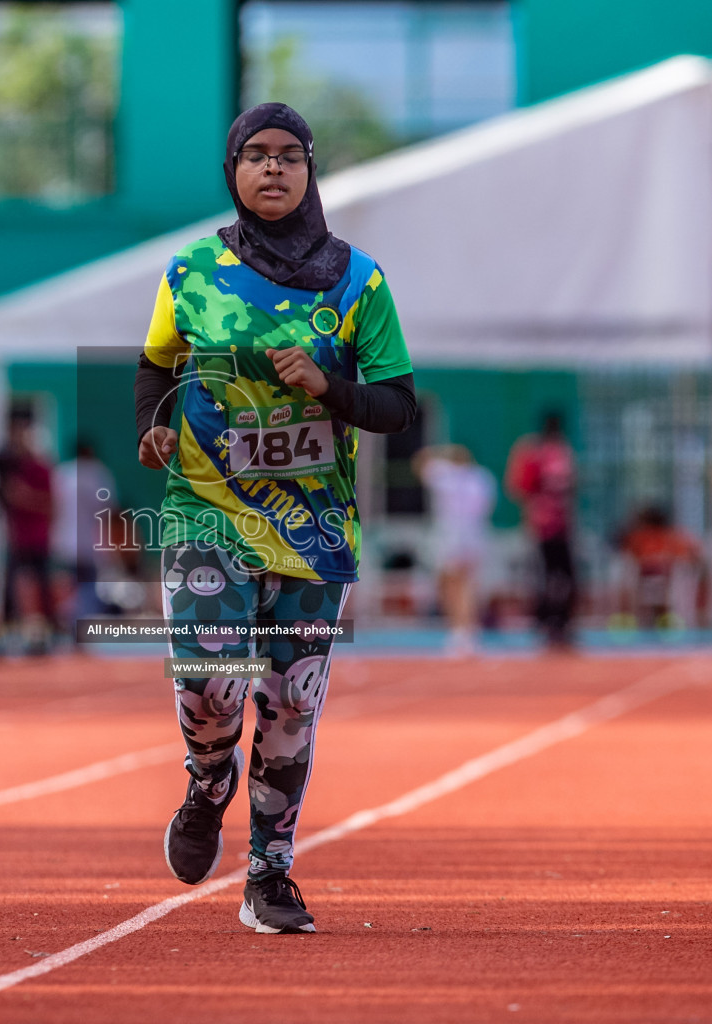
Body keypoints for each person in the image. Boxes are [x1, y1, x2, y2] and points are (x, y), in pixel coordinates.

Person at [136, 103, 416, 934]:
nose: (272, 169)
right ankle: (207, 780)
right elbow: (157, 365)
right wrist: (153, 426)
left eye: (289, 156)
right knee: (213, 685)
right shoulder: (188, 271)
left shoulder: (358, 282)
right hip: (206, 512)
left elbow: (398, 405)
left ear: (310, 170)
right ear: (232, 170)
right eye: (255, 156)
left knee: (290, 704)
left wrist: (328, 387)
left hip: (314, 527)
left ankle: (270, 872)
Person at [413, 444, 497, 655]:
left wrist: (438, 452)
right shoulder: (482, 478)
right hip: (474, 532)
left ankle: (459, 630)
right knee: (467, 584)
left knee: (451, 585)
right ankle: (469, 631)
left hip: (451, 533)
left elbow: (419, 461)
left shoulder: (445, 475)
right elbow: (488, 505)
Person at [0, 404, 57, 655]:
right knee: (10, 585)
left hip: (37, 536)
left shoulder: (40, 469)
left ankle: (46, 633)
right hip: (14, 536)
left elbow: (52, 505)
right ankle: (5, 633)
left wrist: (23, 497)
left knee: (40, 586)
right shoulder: (9, 468)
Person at [506, 411, 578, 649]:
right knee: (548, 575)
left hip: (559, 524)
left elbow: (571, 488)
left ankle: (560, 621)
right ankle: (549, 622)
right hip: (544, 524)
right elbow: (520, 486)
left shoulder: (559, 452)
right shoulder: (538, 452)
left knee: (563, 575)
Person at [51, 437, 117, 621]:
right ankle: (83, 624)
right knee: (88, 586)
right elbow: (109, 509)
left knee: (67, 586)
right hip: (91, 541)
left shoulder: (62, 473)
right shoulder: (98, 473)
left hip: (63, 539)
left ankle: (68, 624)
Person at [618, 504, 700, 630]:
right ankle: (657, 617)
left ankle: (655, 617)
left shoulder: (647, 538)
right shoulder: (668, 538)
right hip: (658, 583)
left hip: (661, 583)